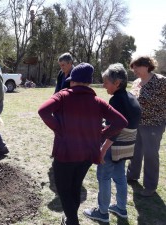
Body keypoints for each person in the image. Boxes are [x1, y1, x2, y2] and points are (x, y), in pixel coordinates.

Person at [38, 63, 128, 225]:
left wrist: (60, 129)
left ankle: (72, 221)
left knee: (64, 190)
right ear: (88, 82)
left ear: (73, 81)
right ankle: (71, 219)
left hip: (65, 154)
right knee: (75, 186)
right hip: (87, 154)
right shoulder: (98, 101)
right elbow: (121, 122)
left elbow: (43, 111)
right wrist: (100, 136)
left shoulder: (62, 96)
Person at [83, 63, 141, 222]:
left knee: (104, 177)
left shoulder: (116, 101)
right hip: (126, 149)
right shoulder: (131, 97)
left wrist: (101, 151)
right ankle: (121, 208)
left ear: (117, 83)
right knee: (120, 176)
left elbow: (114, 131)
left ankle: (102, 213)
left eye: (106, 82)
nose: (103, 85)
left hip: (113, 148)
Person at [126, 56, 166, 197]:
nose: (134, 70)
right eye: (133, 67)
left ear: (146, 66)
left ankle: (150, 186)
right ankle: (132, 175)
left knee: (150, 155)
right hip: (137, 123)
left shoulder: (160, 81)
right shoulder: (136, 82)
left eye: (136, 66)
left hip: (154, 124)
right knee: (135, 151)